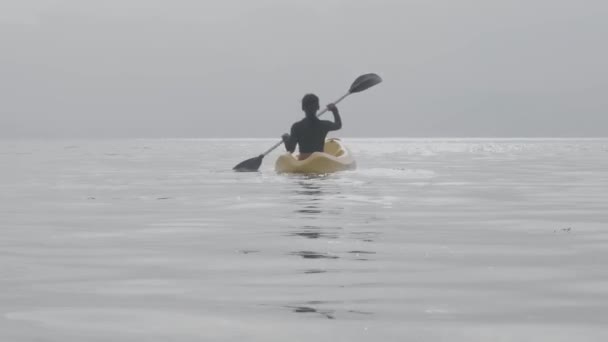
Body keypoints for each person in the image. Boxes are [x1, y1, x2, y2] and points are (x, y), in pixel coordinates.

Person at [282, 94, 342, 160]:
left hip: (303, 160)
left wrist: (285, 139)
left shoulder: (296, 127)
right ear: (318, 107)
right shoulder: (324, 125)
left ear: (302, 108)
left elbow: (290, 149)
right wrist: (335, 111)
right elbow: (338, 125)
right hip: (319, 160)